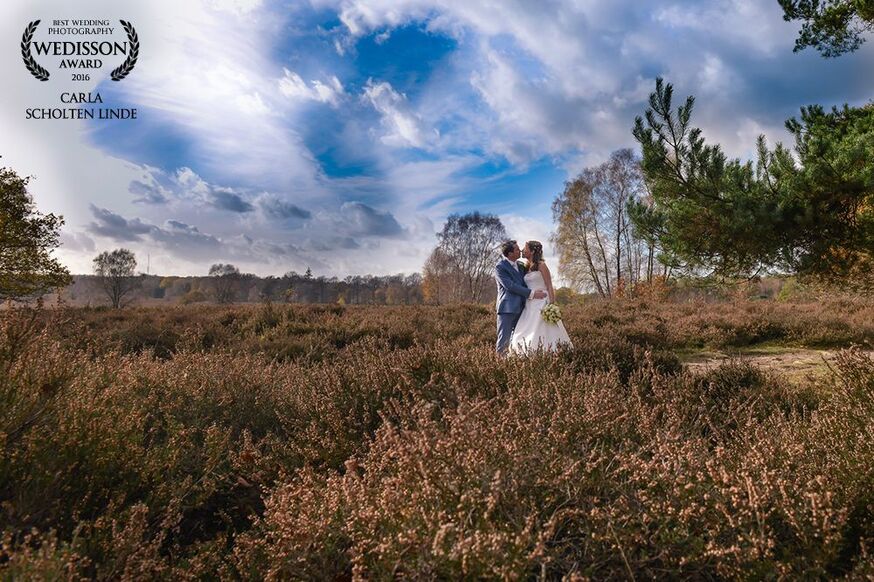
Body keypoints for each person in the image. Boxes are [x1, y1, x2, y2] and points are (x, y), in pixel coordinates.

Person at [508, 240, 573, 354]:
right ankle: (524, 353)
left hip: (542, 301)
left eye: (525, 248)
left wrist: (551, 304)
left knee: (542, 328)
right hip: (529, 303)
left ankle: (549, 352)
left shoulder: (542, 265)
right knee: (524, 328)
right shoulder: (526, 266)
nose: (523, 250)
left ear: (532, 251)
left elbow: (549, 285)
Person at [495, 240, 547, 355]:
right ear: (510, 254)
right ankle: (498, 365)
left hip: (523, 308)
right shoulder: (500, 267)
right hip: (507, 309)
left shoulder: (521, 265)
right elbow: (510, 286)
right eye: (517, 249)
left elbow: (527, 281)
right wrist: (532, 294)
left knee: (519, 338)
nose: (520, 251)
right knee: (504, 339)